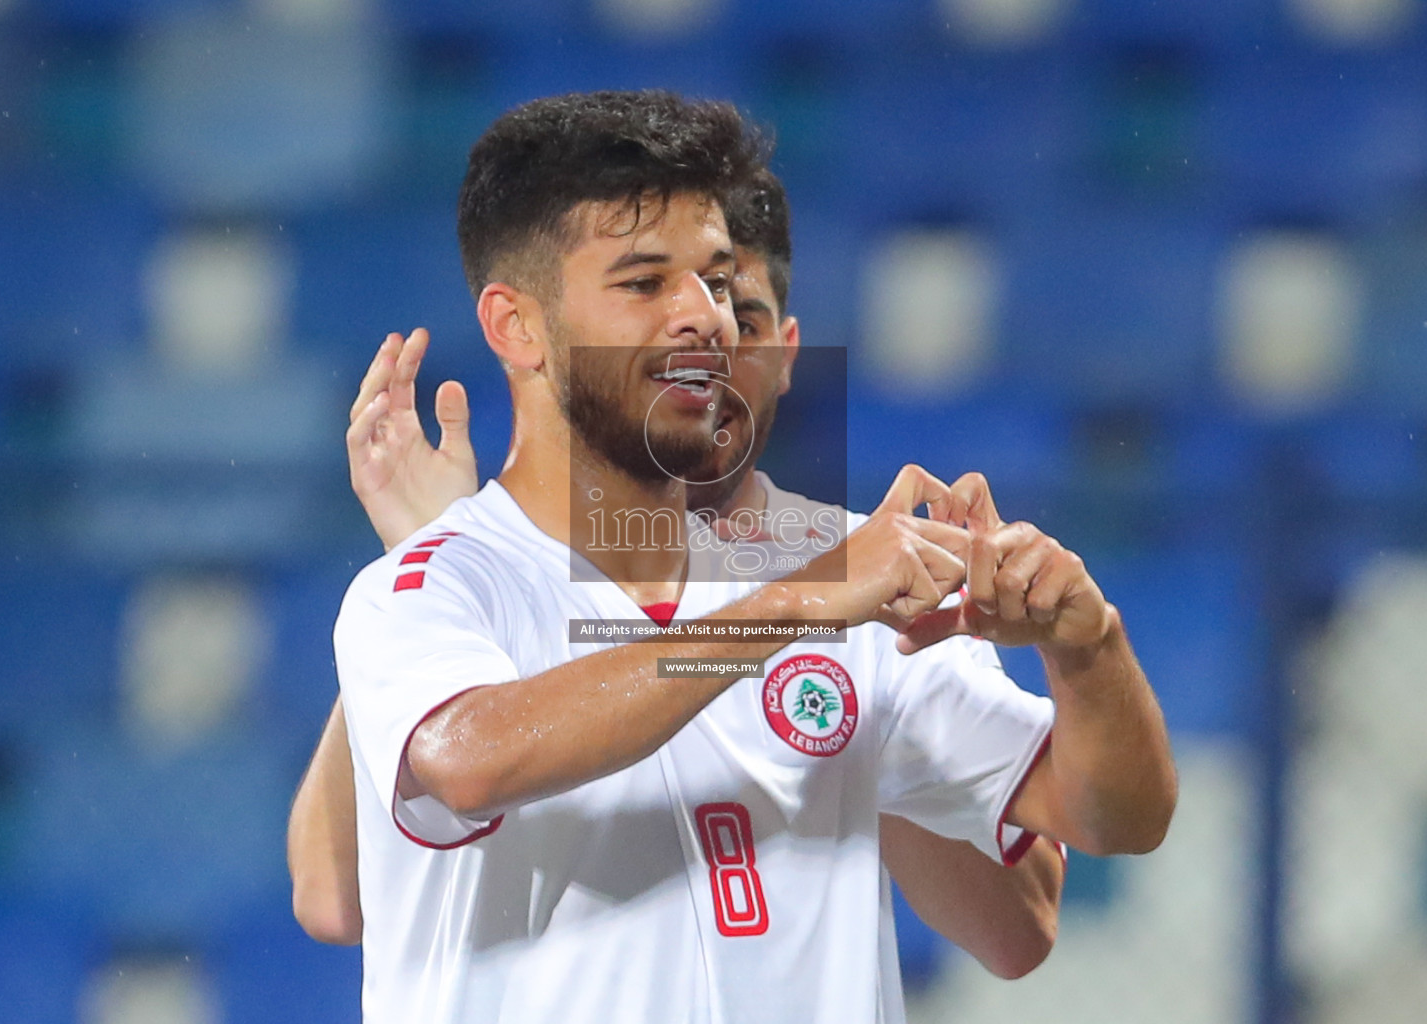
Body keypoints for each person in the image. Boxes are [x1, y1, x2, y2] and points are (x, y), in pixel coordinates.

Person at [330, 90, 1175, 1023]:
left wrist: (1087, 647)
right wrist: (795, 602)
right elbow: (466, 759)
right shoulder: (427, 583)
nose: (707, 320)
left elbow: (1115, 822)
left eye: (720, 282)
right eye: (646, 283)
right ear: (516, 327)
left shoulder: (843, 572)